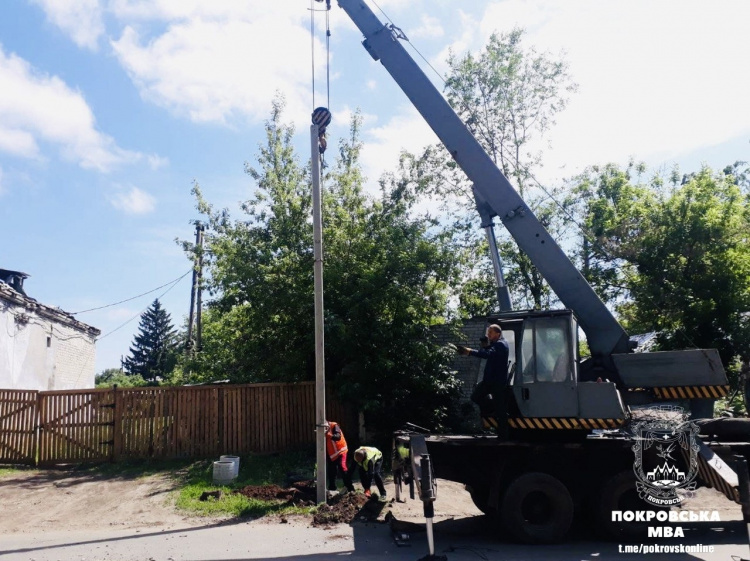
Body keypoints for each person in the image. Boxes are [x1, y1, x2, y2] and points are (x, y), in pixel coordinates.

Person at [456, 324, 510, 436]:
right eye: (488, 332)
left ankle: (503, 434)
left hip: (497, 382)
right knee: (476, 396)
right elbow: (490, 352)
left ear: (498, 334)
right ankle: (491, 408)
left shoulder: (501, 344)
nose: (488, 335)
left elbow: (488, 354)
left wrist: (469, 351)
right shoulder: (496, 344)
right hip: (489, 381)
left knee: (500, 409)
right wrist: (486, 346)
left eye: (490, 332)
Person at [325, 421, 355, 495]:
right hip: (332, 454)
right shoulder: (321, 430)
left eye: (325, 428)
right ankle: (332, 488)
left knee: (342, 467)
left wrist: (329, 435)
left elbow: (338, 437)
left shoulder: (334, 426)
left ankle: (350, 488)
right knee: (331, 470)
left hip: (341, 451)